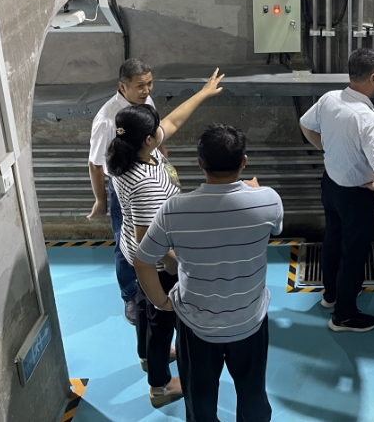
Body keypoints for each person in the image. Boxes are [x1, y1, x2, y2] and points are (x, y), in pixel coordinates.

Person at [134, 124, 283, 422]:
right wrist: (254, 192)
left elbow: (142, 260)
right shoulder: (269, 200)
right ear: (243, 162)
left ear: (200, 163)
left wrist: (162, 302)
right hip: (249, 322)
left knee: (200, 401)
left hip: (196, 325)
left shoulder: (174, 210)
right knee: (253, 395)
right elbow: (275, 229)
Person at [106, 69, 225, 408]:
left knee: (146, 310)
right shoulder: (145, 185)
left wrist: (203, 93)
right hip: (157, 266)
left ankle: (146, 357)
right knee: (161, 320)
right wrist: (178, 266)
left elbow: (172, 122)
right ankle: (159, 385)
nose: (162, 130)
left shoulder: (129, 153)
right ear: (147, 139)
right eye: (155, 130)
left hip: (135, 251)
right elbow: (150, 245)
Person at [299, 48, 374, 333]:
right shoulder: (366, 118)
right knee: (353, 253)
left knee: (333, 239)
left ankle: (331, 294)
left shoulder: (330, 99)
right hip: (356, 196)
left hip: (331, 186)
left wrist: (326, 148)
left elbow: (305, 124)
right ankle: (345, 317)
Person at [87, 58, 159, 324]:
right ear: (122, 87)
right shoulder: (107, 120)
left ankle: (155, 284)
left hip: (149, 179)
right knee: (125, 242)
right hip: (123, 189)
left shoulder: (146, 102)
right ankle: (131, 296)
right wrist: (100, 200)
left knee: (155, 235)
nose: (146, 90)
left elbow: (157, 134)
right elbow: (95, 164)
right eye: (140, 85)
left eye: (150, 83)